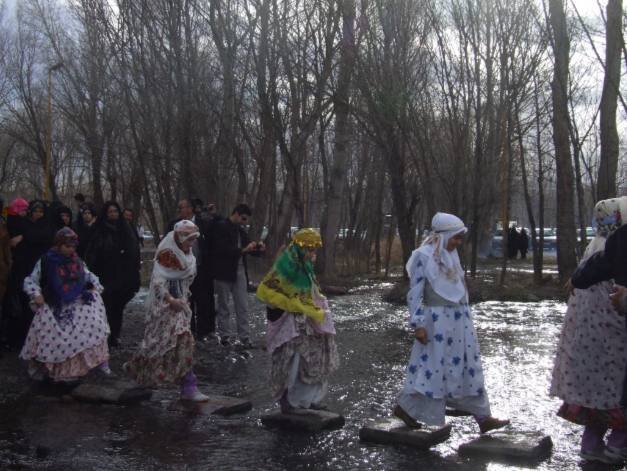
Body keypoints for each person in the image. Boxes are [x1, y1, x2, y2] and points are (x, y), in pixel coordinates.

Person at [393, 212, 509, 433]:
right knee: (432, 367)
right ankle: (406, 408)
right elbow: (415, 292)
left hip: (459, 321)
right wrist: (417, 324)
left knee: (468, 365)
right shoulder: (423, 256)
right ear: (443, 236)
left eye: (459, 238)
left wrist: (467, 316)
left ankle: (483, 417)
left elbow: (458, 288)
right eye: (454, 237)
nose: (457, 242)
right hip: (436, 323)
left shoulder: (452, 255)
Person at [566, 197, 627, 463]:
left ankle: (590, 446)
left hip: (591, 341)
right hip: (617, 339)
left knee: (597, 395)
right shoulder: (618, 246)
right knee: (617, 394)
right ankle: (617, 445)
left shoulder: (595, 247)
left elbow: (580, 283)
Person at [124, 220, 209, 402]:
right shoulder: (167, 254)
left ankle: (189, 385)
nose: (191, 243)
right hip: (163, 307)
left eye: (194, 239)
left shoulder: (188, 254)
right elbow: (158, 282)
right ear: (179, 238)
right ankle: (141, 376)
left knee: (184, 340)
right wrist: (170, 299)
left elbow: (187, 278)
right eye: (188, 239)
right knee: (156, 344)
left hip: (181, 305)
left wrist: (181, 299)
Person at [256, 228, 338, 412]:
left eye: (314, 250)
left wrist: (318, 306)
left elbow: (310, 291)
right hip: (290, 325)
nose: (312, 254)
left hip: (308, 322)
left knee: (314, 359)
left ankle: (310, 399)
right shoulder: (285, 266)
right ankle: (288, 400)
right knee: (291, 362)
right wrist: (292, 305)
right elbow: (270, 293)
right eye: (309, 250)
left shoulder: (306, 267)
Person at [20, 228, 110, 382]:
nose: (70, 250)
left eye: (73, 247)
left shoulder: (77, 261)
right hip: (56, 303)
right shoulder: (47, 260)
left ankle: (88, 366)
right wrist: (36, 294)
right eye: (67, 246)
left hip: (78, 301)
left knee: (92, 328)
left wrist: (95, 286)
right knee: (56, 336)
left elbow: (89, 275)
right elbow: (31, 280)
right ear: (58, 244)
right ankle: (59, 371)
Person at [85, 201, 140, 348]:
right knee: (105, 307)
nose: (113, 214)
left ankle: (115, 335)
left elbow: (133, 251)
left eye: (115, 211)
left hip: (122, 275)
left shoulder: (125, 228)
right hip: (104, 274)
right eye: (110, 212)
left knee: (118, 307)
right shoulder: (99, 229)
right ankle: (103, 337)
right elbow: (92, 253)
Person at [210, 203, 264, 348]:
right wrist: (243, 250)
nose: (245, 222)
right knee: (223, 306)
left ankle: (245, 337)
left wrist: (258, 249)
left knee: (243, 305)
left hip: (239, 272)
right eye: (244, 219)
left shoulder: (240, 231)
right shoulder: (221, 227)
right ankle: (224, 336)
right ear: (237, 214)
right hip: (223, 272)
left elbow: (248, 248)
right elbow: (222, 250)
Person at [2, 200, 54, 350]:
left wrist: (25, 236)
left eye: (41, 211)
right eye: (35, 211)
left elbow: (42, 237)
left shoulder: (46, 225)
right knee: (22, 303)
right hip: (23, 268)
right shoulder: (22, 224)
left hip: (41, 269)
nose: (38, 214)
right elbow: (13, 242)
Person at [167, 199, 212, 340]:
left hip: (201, 266)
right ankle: (188, 328)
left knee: (203, 299)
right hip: (182, 269)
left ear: (191, 209)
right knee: (186, 299)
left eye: (183, 207)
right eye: (179, 208)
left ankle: (204, 331)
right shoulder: (174, 225)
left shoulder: (203, 222)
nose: (180, 210)